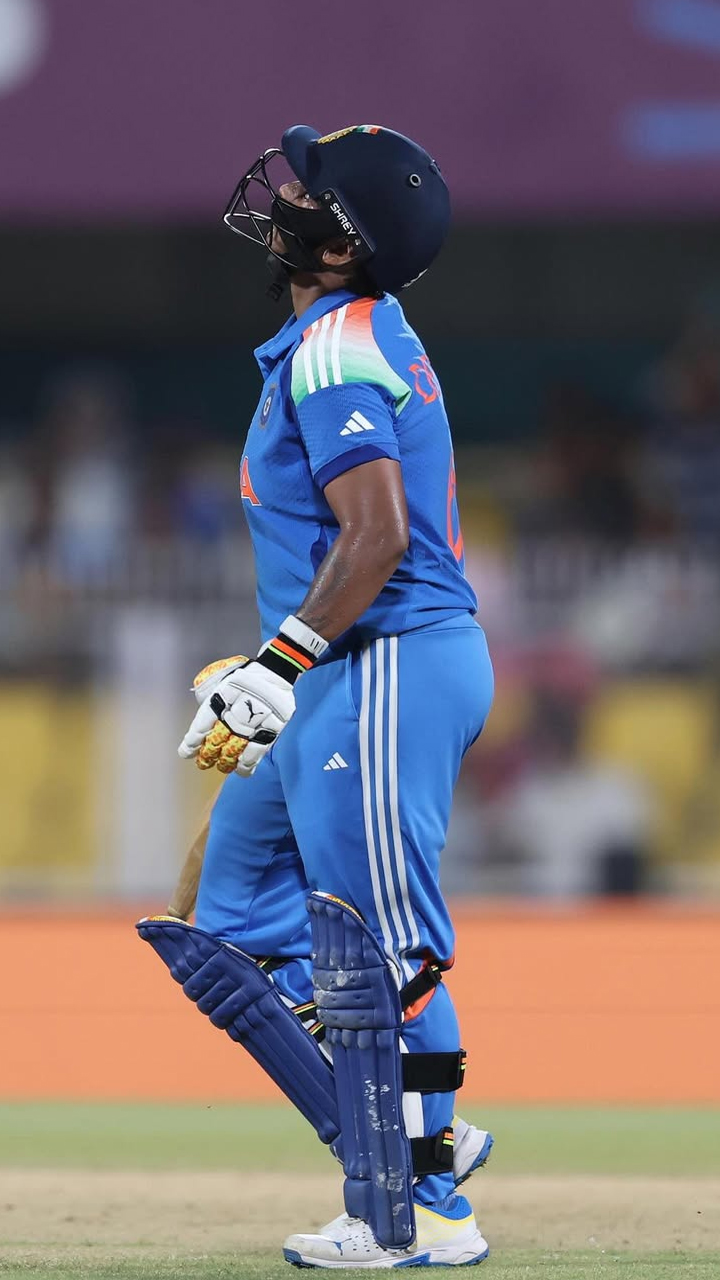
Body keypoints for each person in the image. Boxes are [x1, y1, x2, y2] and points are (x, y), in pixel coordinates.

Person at [138, 124, 494, 1268]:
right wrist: (279, 664)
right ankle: (417, 1134)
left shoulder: (336, 346)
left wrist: (274, 667)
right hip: (339, 665)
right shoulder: (327, 337)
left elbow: (376, 535)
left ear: (342, 245)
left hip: (387, 661)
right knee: (226, 929)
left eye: (310, 189)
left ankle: (426, 1205)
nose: (283, 191)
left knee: (381, 945)